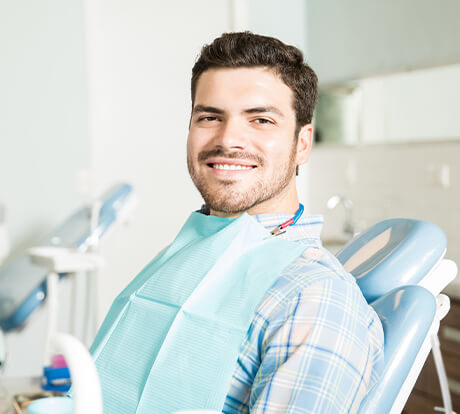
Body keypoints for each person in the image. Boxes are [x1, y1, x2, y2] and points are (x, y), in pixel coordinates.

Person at [89, 32, 384, 414]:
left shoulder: (314, 298)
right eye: (210, 117)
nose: (228, 139)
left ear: (303, 144)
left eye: (260, 119)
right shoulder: (189, 255)